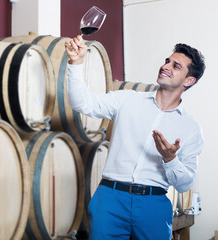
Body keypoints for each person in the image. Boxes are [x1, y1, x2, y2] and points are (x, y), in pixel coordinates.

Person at [65, 35, 205, 240]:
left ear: (189, 80)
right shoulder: (127, 99)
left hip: (153, 205)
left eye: (176, 66)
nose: (166, 66)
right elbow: (82, 103)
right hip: (110, 199)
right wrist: (76, 63)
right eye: (167, 61)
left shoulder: (191, 128)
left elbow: (185, 184)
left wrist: (170, 159)